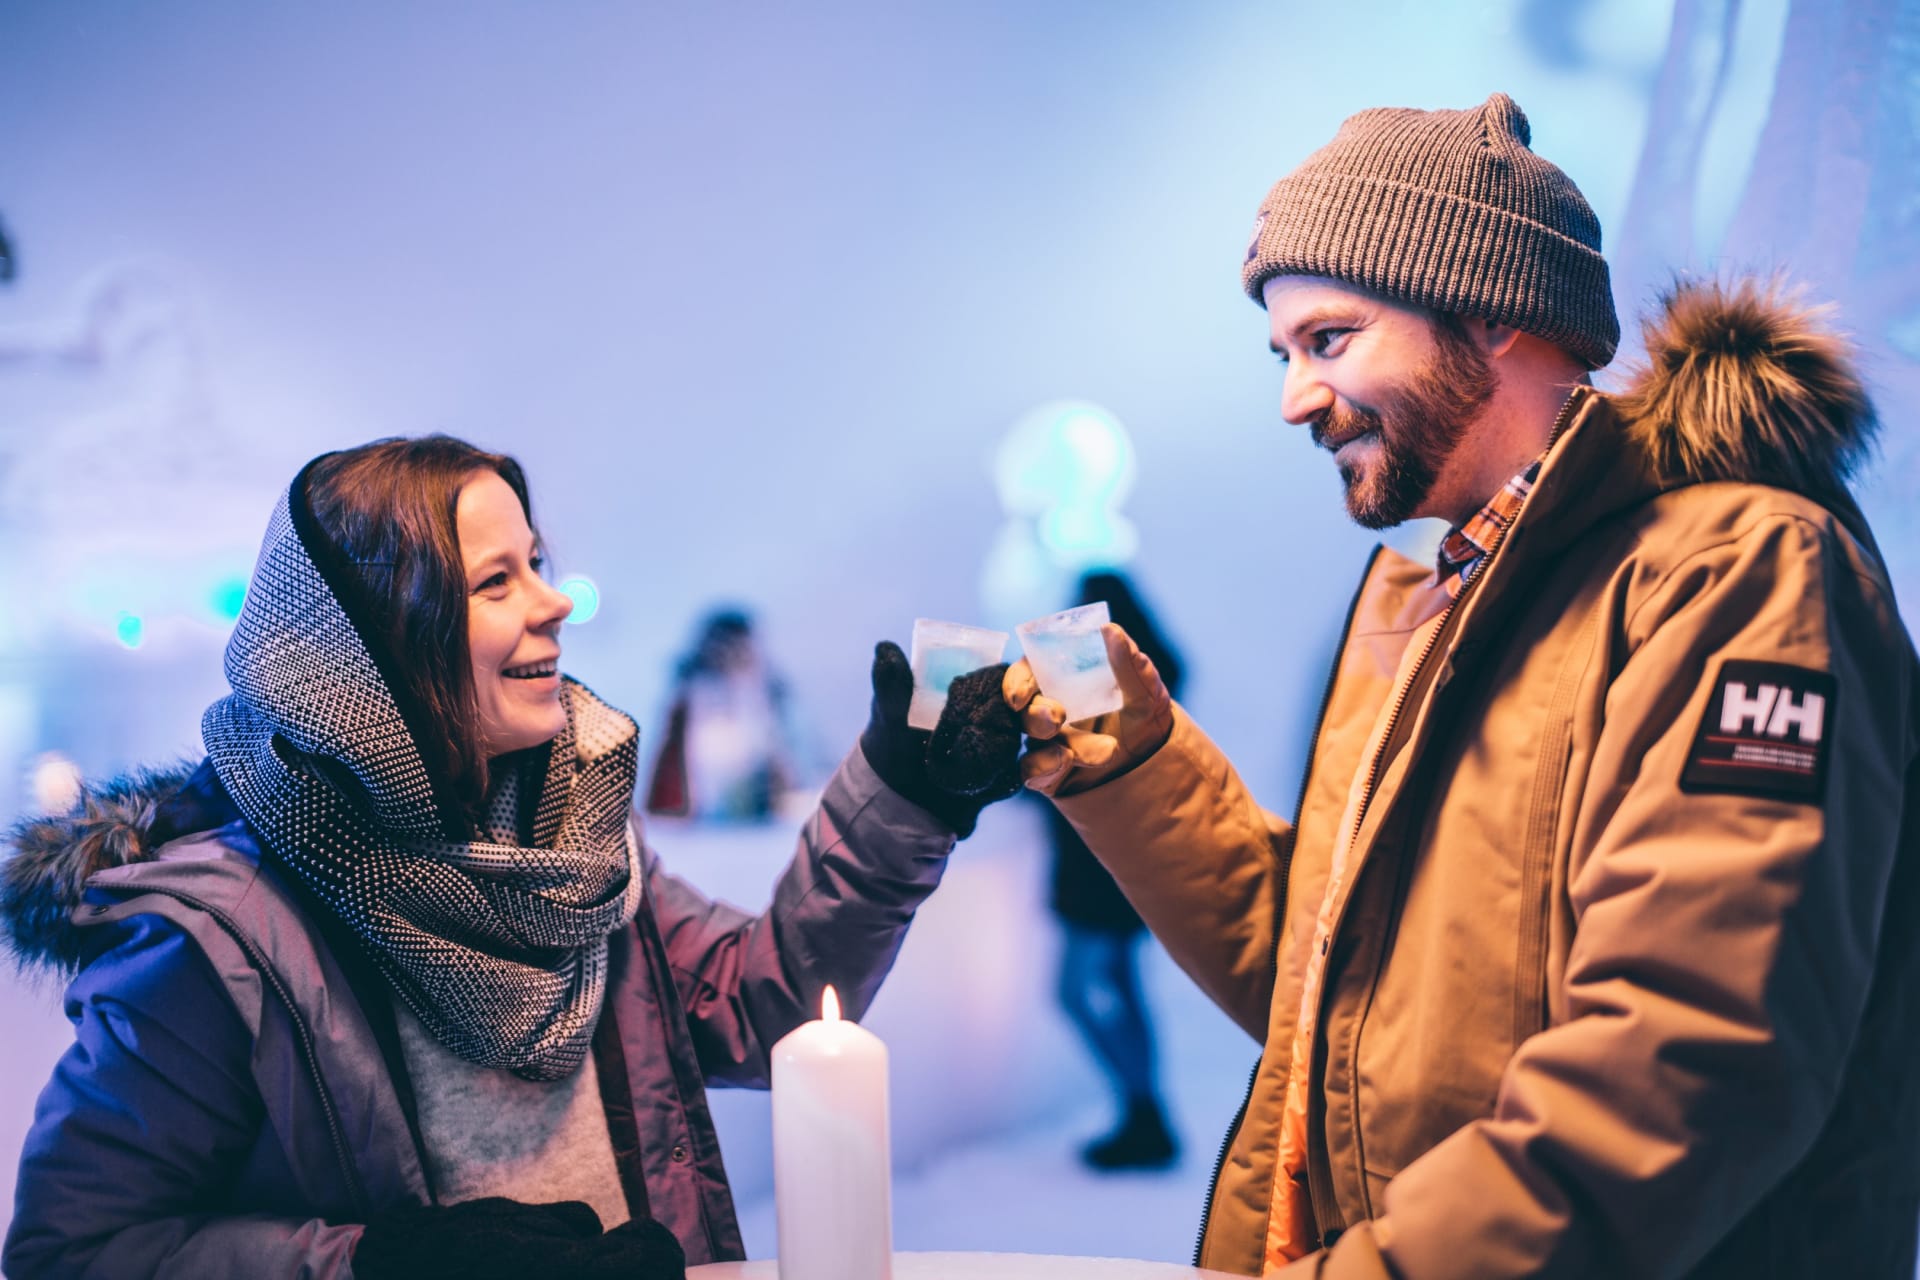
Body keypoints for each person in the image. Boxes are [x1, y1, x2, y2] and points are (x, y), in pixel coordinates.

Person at [1004, 94, 1920, 1277]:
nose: (1292, 394)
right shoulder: (1425, 604)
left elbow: (1685, 1073)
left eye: (1329, 339)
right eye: (1282, 354)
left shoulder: (1738, 577)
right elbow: (1332, 997)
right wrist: (1123, 753)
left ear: (1493, 314)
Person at [1, 436, 1018, 1279]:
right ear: (377, 645)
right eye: (497, 579)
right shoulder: (221, 937)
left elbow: (766, 1008)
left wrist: (904, 790)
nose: (553, 600)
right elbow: (74, 1250)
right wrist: (380, 1265)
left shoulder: (576, 842)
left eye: (537, 560)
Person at [1045, 569, 1186, 1170]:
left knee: (1076, 990)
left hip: (1095, 858)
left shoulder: (1114, 685)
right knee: (1122, 987)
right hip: (1124, 855)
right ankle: (1146, 1112)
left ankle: (1145, 1111)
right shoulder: (1148, 683)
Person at [645, 606, 804, 822]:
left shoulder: (766, 691)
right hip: (698, 817)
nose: (731, 656)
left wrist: (786, 791)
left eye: (739, 648)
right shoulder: (691, 694)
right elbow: (669, 763)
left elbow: (786, 751)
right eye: (723, 648)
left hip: (759, 814)